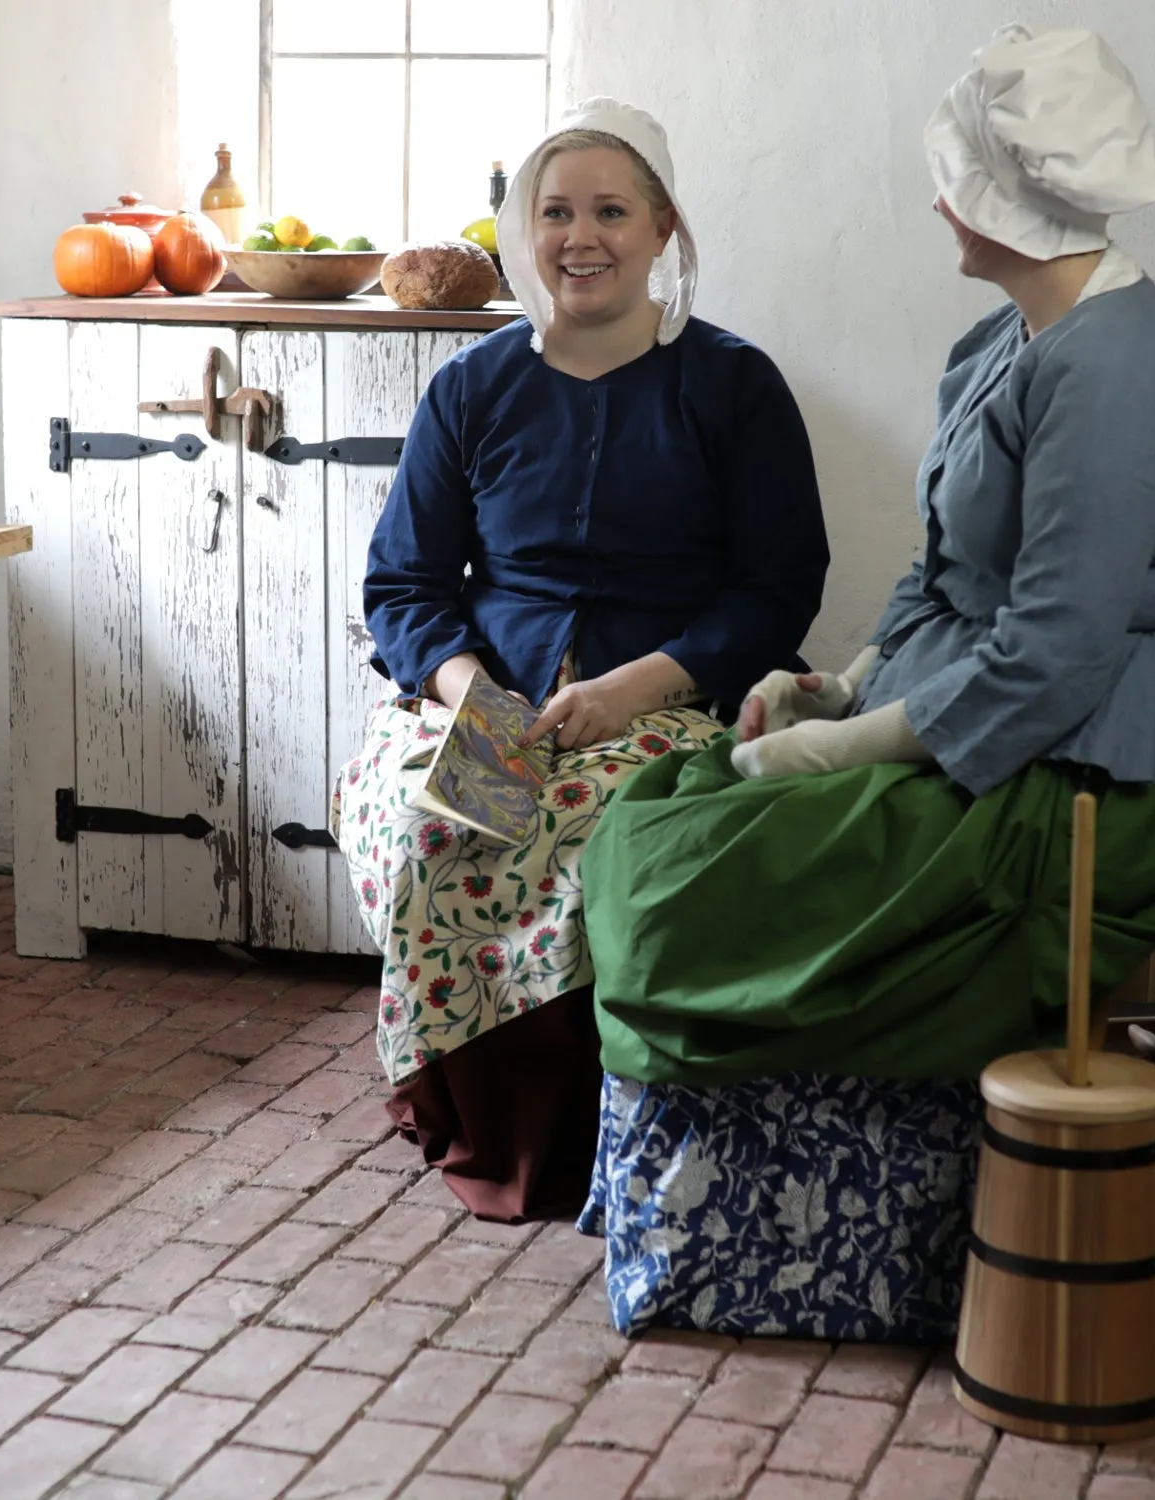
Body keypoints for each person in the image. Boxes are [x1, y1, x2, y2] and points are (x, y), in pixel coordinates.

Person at [576, 27, 1155, 1340]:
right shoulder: (1007, 342)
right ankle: (724, 1208)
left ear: (1013, 189)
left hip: (1131, 773)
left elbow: (1059, 654)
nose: (938, 200)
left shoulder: (1119, 371)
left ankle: (833, 1223)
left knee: (713, 859)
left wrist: (838, 759)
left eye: (954, 174)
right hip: (1021, 726)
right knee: (672, 815)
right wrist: (837, 688)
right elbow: (947, 576)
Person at [331, 97, 829, 1221]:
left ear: (662, 228)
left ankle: (590, 1142)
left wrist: (631, 688)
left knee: (599, 838)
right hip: (486, 703)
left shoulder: (735, 386)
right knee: (429, 826)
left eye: (611, 210)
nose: (581, 236)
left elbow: (777, 587)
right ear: (525, 228)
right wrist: (472, 697)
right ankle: (471, 1113)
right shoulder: (471, 388)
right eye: (556, 212)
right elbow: (404, 587)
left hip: (667, 702)